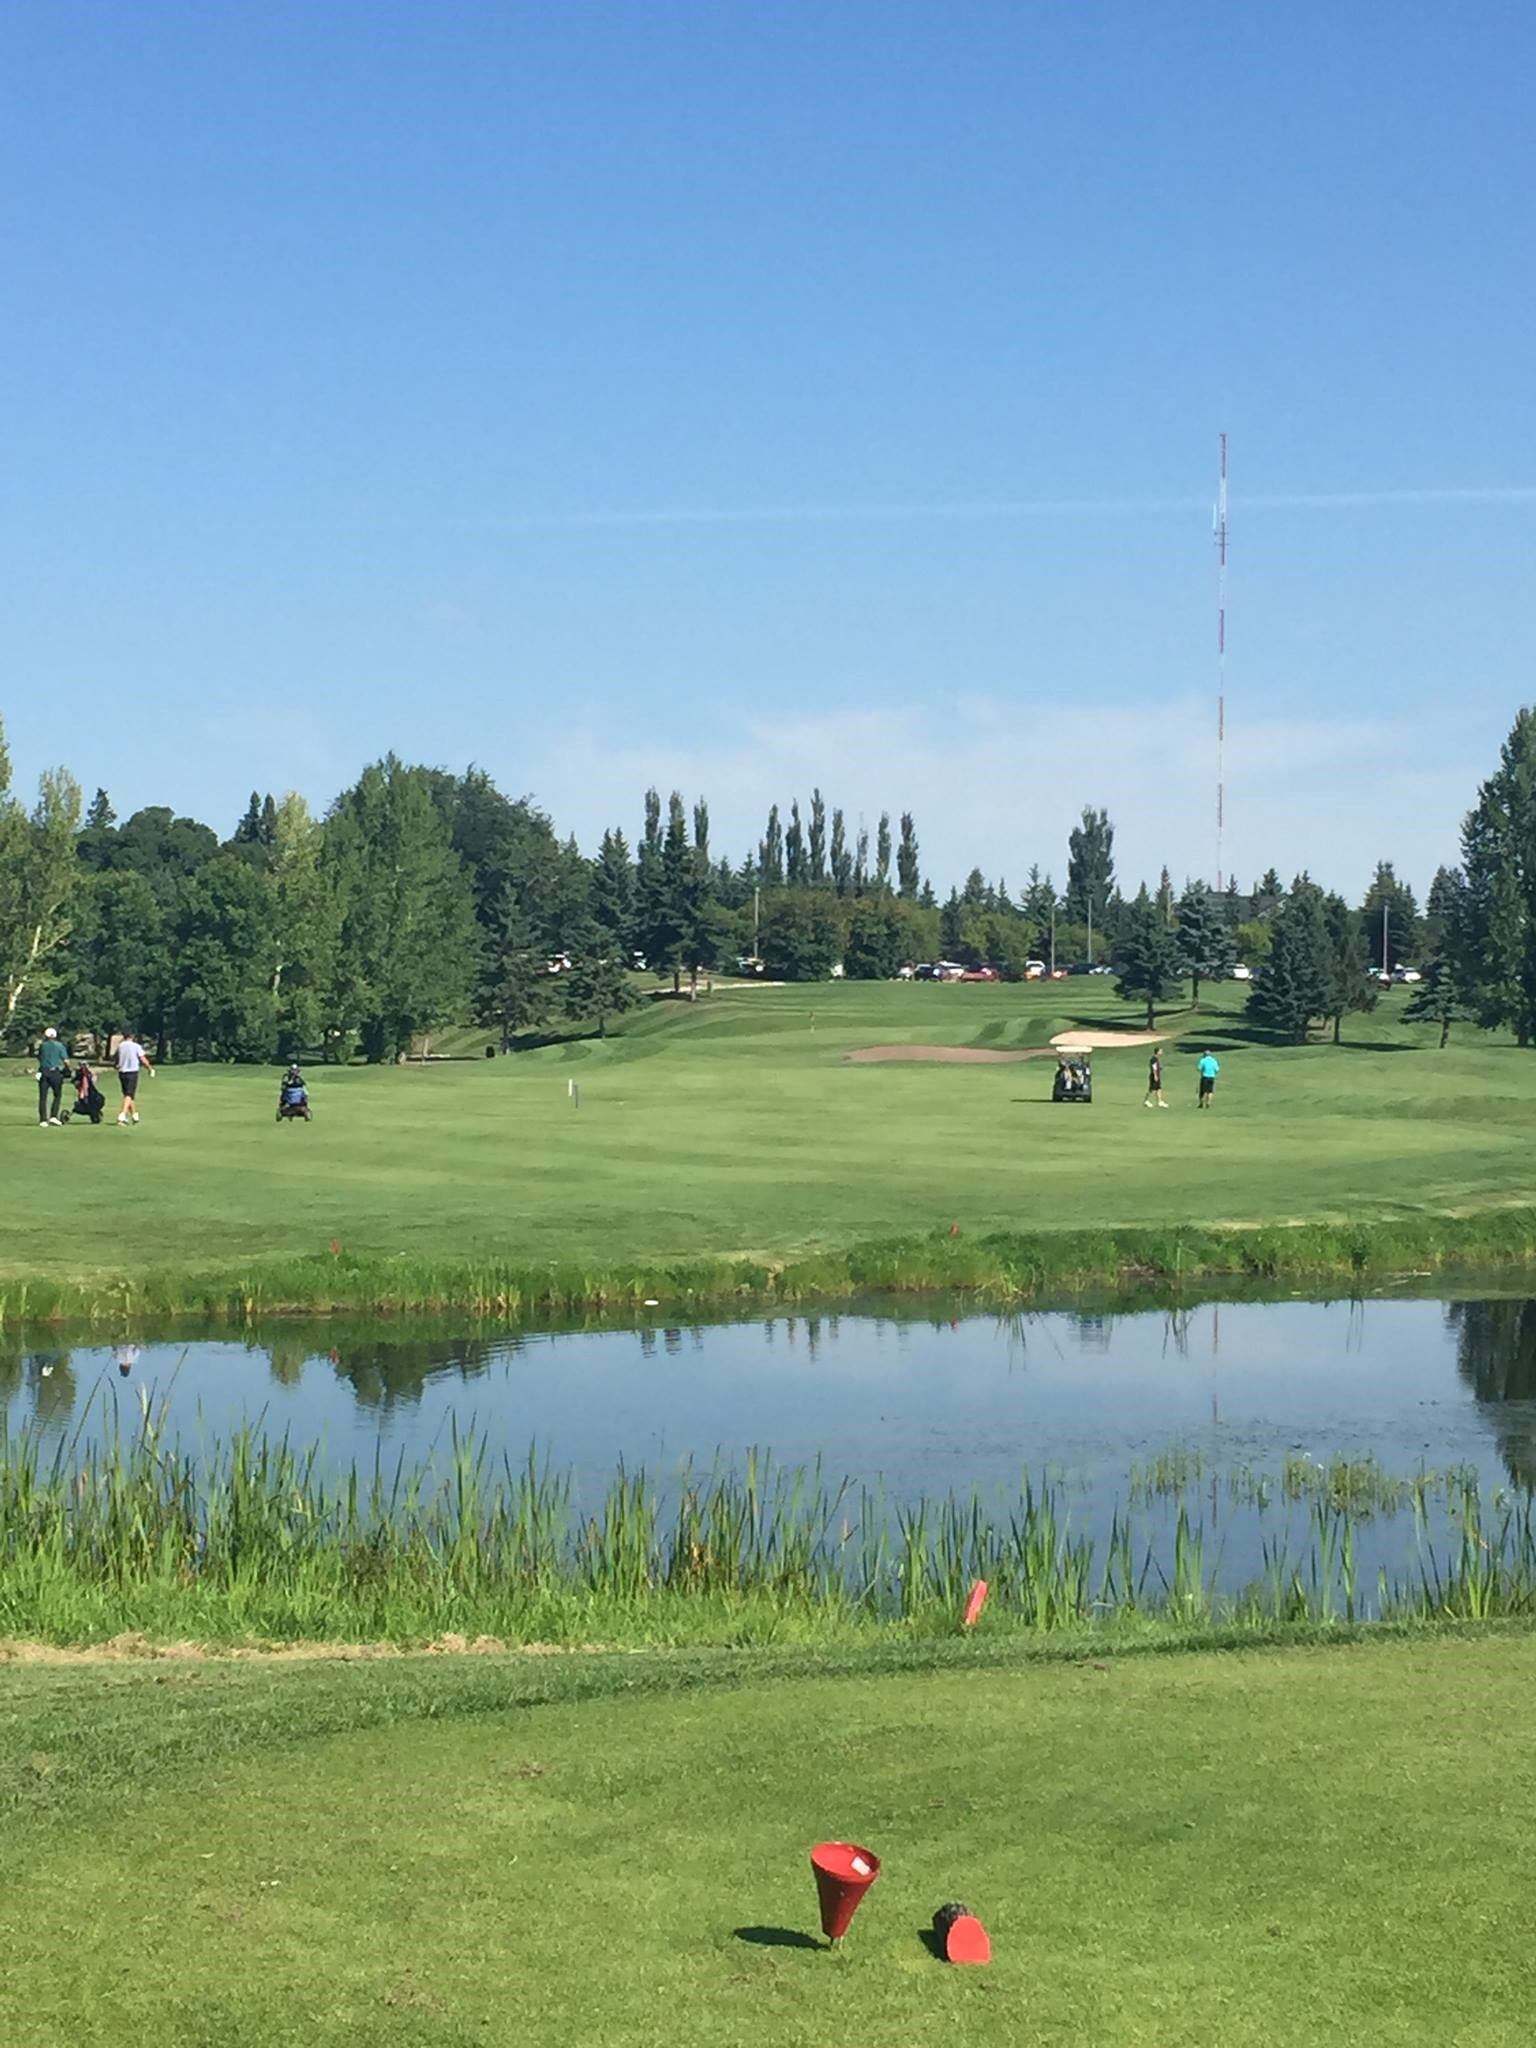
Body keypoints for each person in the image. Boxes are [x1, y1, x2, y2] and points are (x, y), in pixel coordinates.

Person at [114, 1030, 154, 1125]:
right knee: (129, 1094)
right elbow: (142, 1059)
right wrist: (149, 1068)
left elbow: (116, 1059)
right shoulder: (136, 1046)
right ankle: (122, 1115)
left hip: (122, 1072)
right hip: (132, 1072)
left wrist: (116, 1065)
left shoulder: (120, 1046)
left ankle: (134, 1115)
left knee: (128, 1095)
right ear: (132, 1036)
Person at [36, 1027, 69, 1126]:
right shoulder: (60, 1046)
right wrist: (68, 1069)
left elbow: (39, 1057)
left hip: (44, 1072)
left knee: (43, 1097)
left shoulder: (42, 1046)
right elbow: (66, 1060)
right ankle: (53, 1116)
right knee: (57, 1095)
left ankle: (43, 1120)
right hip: (55, 1072)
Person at [73, 1059, 106, 1125]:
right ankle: (94, 1114)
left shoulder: (86, 1075)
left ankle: (94, 1114)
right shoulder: (85, 1075)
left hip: (89, 1097)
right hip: (89, 1097)